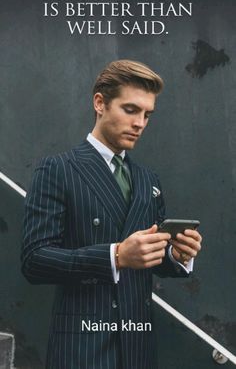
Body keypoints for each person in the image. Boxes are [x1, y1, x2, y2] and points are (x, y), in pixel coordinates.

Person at [21, 59, 202, 369]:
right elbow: (35, 261)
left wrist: (178, 254)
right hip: (81, 347)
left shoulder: (148, 180)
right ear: (100, 103)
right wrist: (116, 256)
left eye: (147, 115)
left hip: (137, 344)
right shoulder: (59, 169)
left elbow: (152, 261)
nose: (140, 123)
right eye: (131, 110)